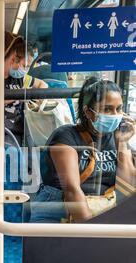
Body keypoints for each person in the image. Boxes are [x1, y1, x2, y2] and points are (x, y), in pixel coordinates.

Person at [29, 77, 136, 223]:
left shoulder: (116, 137)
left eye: (119, 109)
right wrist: (90, 236)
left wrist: (122, 143)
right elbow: (72, 191)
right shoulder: (66, 136)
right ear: (88, 112)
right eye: (107, 109)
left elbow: (127, 188)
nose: (115, 115)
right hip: (60, 209)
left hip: (104, 207)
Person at [0, 32, 47, 143]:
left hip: (12, 128)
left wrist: (40, 101)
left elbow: (42, 84)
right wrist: (21, 94)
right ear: (13, 59)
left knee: (11, 152)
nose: (25, 70)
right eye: (24, 66)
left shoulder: (20, 77)